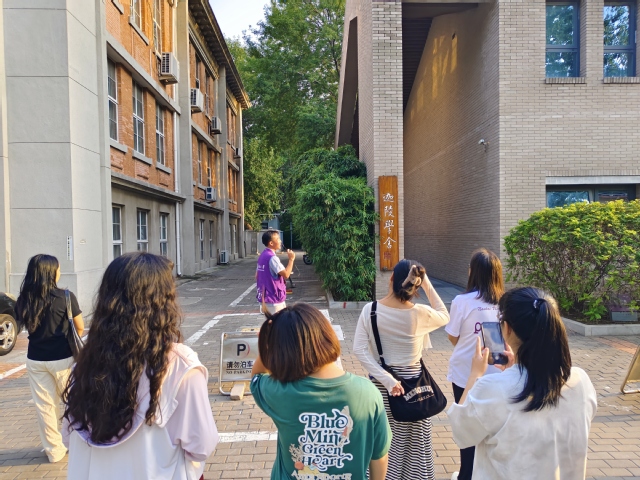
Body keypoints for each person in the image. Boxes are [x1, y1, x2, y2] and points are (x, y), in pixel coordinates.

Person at [62, 252, 218, 479]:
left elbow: (69, 438)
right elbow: (201, 445)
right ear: (163, 302)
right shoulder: (179, 367)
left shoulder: (85, 364)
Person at [447, 287, 597, 480]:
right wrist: (512, 372)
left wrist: (475, 374)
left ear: (507, 328)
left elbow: (461, 432)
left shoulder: (491, 388)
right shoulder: (580, 382)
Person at [250, 303, 392, 480]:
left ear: (281, 352)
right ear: (327, 335)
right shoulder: (368, 392)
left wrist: (266, 345)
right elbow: (379, 456)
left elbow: (256, 377)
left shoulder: (279, 392)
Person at [353, 260, 449, 480]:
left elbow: (359, 350)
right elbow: (445, 314)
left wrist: (387, 380)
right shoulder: (421, 313)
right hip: (415, 389)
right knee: (415, 448)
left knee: (382, 444)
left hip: (383, 387)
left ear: (391, 279)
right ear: (417, 285)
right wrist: (426, 283)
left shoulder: (371, 310)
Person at [15, 254, 84, 463]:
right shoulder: (65, 296)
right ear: (51, 272)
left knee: (45, 406)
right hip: (63, 358)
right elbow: (80, 327)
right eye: (58, 268)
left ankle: (54, 451)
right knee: (74, 401)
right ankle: (81, 443)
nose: (59, 272)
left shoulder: (24, 299)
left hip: (35, 359)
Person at [445, 248, 504, 480]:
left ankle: (466, 474)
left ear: (473, 272)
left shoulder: (462, 301)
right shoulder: (505, 303)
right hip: (498, 374)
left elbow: (453, 336)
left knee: (467, 427)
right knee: (493, 429)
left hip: (465, 373)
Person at [256, 230, 295, 314]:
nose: (280, 241)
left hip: (265, 297)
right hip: (274, 299)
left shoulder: (262, 256)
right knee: (279, 321)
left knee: (270, 321)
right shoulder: (272, 258)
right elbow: (286, 274)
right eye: (278, 239)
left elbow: (257, 275)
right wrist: (291, 259)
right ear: (271, 243)